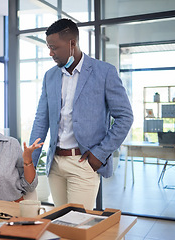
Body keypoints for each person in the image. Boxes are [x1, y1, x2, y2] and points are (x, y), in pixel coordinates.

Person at [29, 19, 133, 210]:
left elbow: (125, 117)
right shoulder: (50, 76)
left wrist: (99, 154)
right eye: (48, 47)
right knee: (60, 221)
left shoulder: (104, 72)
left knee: (78, 225)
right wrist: (30, 162)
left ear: (72, 44)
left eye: (54, 47)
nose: (50, 53)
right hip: (55, 164)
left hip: (83, 163)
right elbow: (41, 121)